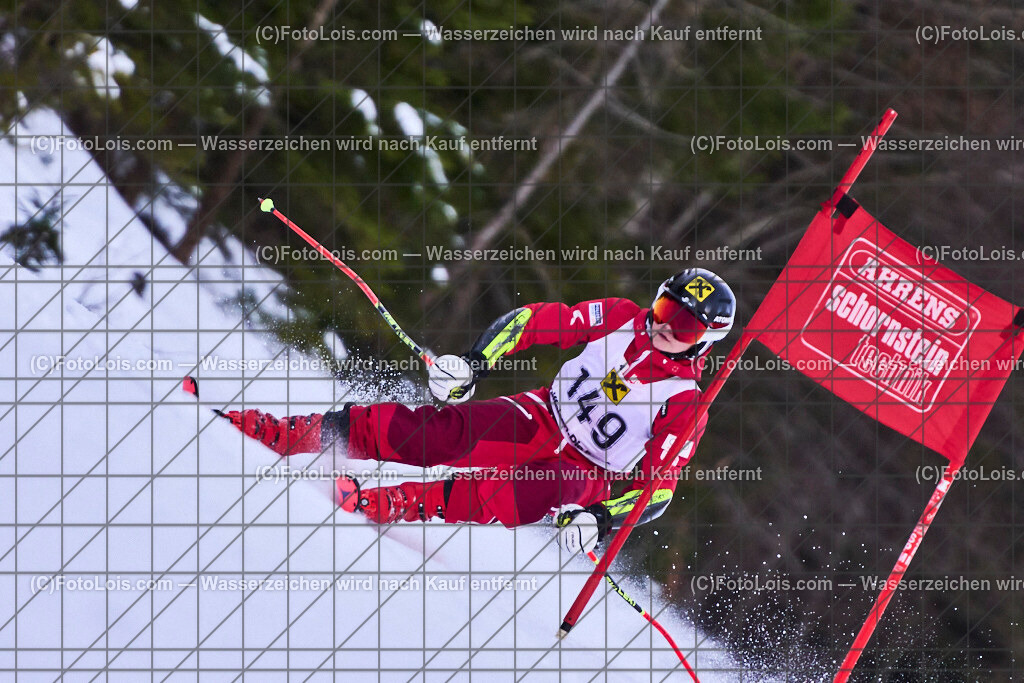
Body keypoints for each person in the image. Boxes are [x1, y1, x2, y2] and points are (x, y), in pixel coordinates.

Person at [225, 268, 735, 553]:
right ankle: (304, 434)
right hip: (544, 414)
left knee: (515, 494)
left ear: (704, 342)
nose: (665, 329)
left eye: (685, 328)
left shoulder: (686, 403)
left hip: (587, 471)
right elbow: (535, 322)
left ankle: (391, 502)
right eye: (667, 311)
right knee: (445, 435)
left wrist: (602, 519)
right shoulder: (621, 318)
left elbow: (659, 490)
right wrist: (474, 362)